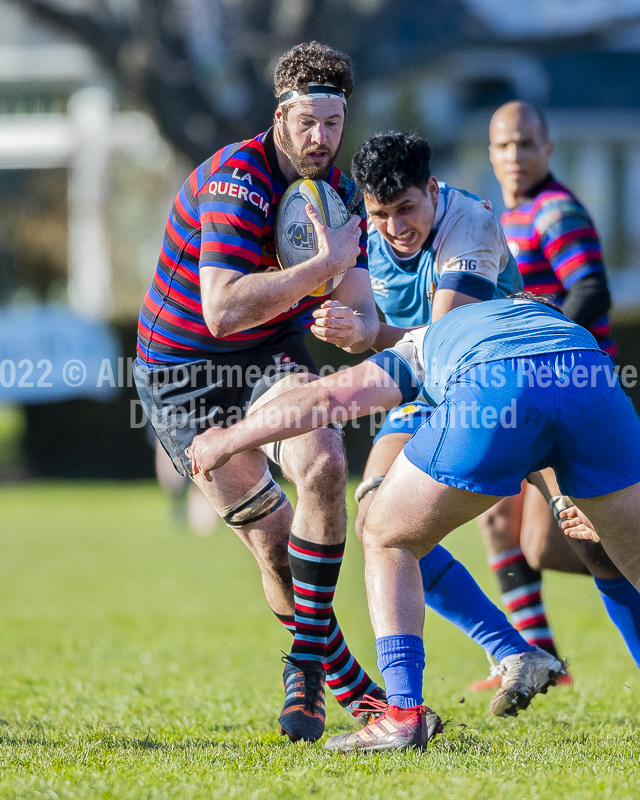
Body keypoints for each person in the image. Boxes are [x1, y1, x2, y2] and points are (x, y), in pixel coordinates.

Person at [188, 293, 640, 752]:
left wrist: (230, 437)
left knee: (385, 533)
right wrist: (576, 498)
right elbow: (557, 407)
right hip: (592, 377)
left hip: (496, 383)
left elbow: (328, 396)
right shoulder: (564, 331)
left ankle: (402, 712)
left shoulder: (437, 334)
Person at [134, 41, 385, 744]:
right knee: (274, 548)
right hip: (181, 376)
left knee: (327, 463)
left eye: (333, 123)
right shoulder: (234, 179)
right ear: (280, 115)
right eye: (308, 122)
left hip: (266, 358)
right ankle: (348, 686)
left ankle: (304, 667)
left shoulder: (336, 197)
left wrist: (352, 322)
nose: (321, 138)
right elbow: (222, 309)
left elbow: (363, 315)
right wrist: (324, 268)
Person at [349, 132, 539, 681]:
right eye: (380, 213)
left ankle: (515, 651)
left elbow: (443, 343)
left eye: (407, 208)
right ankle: (514, 651)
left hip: (505, 384)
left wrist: (367, 333)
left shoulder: (470, 225)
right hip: (434, 393)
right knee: (374, 518)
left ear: (432, 189)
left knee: (588, 545)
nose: (395, 227)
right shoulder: (362, 230)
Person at [472, 100, 640, 681]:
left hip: (575, 393)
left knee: (577, 543)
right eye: (503, 145)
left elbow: (591, 292)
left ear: (547, 149)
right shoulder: (497, 220)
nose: (514, 156)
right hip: (530, 395)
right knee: (497, 517)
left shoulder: (555, 212)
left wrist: (544, 335)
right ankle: (537, 657)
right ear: (490, 154)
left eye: (525, 143)